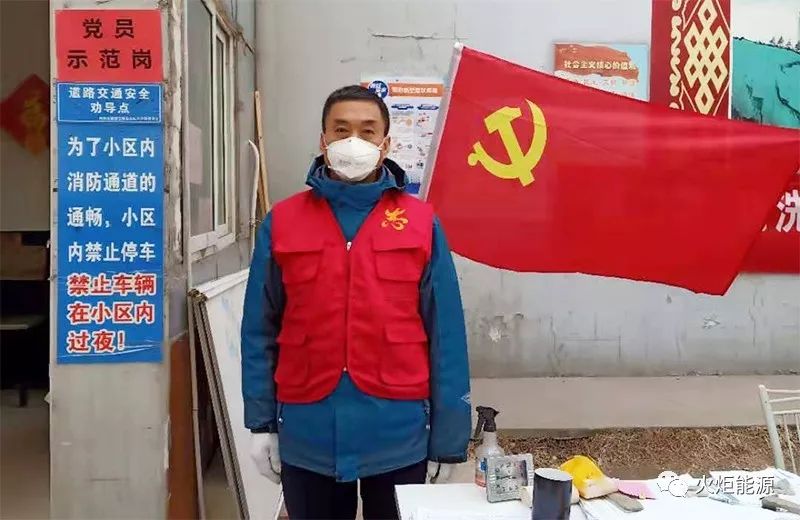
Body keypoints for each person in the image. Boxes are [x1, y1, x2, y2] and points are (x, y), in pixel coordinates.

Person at [241, 85, 471, 520]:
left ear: (386, 144)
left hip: (396, 432)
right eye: (341, 129)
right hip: (308, 430)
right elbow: (259, 328)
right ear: (323, 139)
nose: (354, 142)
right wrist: (261, 423)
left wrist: (448, 440)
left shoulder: (419, 222)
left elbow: (446, 335)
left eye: (368, 131)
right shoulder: (284, 221)